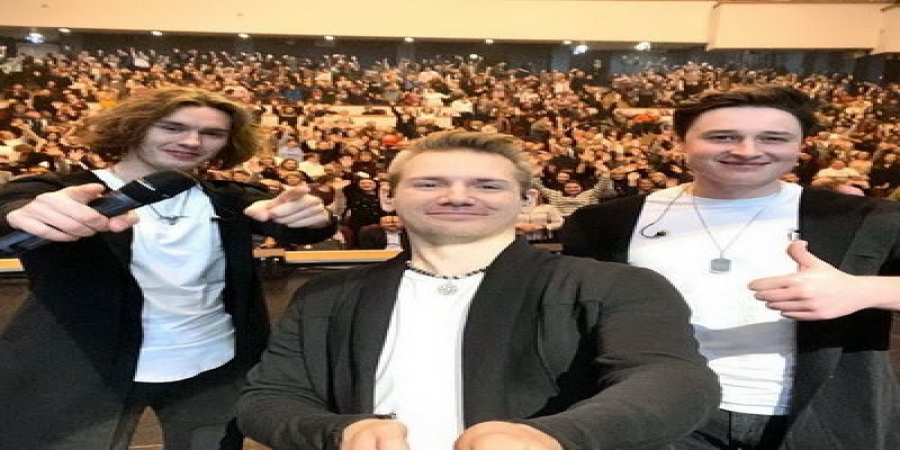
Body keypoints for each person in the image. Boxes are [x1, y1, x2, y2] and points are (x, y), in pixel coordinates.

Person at [236, 130, 719, 450]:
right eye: (430, 184)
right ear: (389, 195)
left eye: (486, 186)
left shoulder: (616, 285)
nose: (457, 196)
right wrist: (340, 432)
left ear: (527, 200)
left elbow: (673, 382)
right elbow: (270, 398)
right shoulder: (326, 296)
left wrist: (554, 438)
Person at [562, 86, 900, 450]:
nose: (747, 151)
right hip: (662, 416)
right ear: (680, 141)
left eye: (773, 138)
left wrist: (864, 290)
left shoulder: (862, 219)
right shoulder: (605, 224)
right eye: (722, 137)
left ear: (800, 145)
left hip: (823, 417)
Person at [0, 87, 336, 450]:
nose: (192, 141)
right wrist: (23, 212)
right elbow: (16, 204)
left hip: (214, 367)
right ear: (134, 127)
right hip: (85, 369)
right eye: (172, 128)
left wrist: (312, 217)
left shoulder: (230, 198)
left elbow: (297, 224)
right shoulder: (64, 190)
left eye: (212, 133)